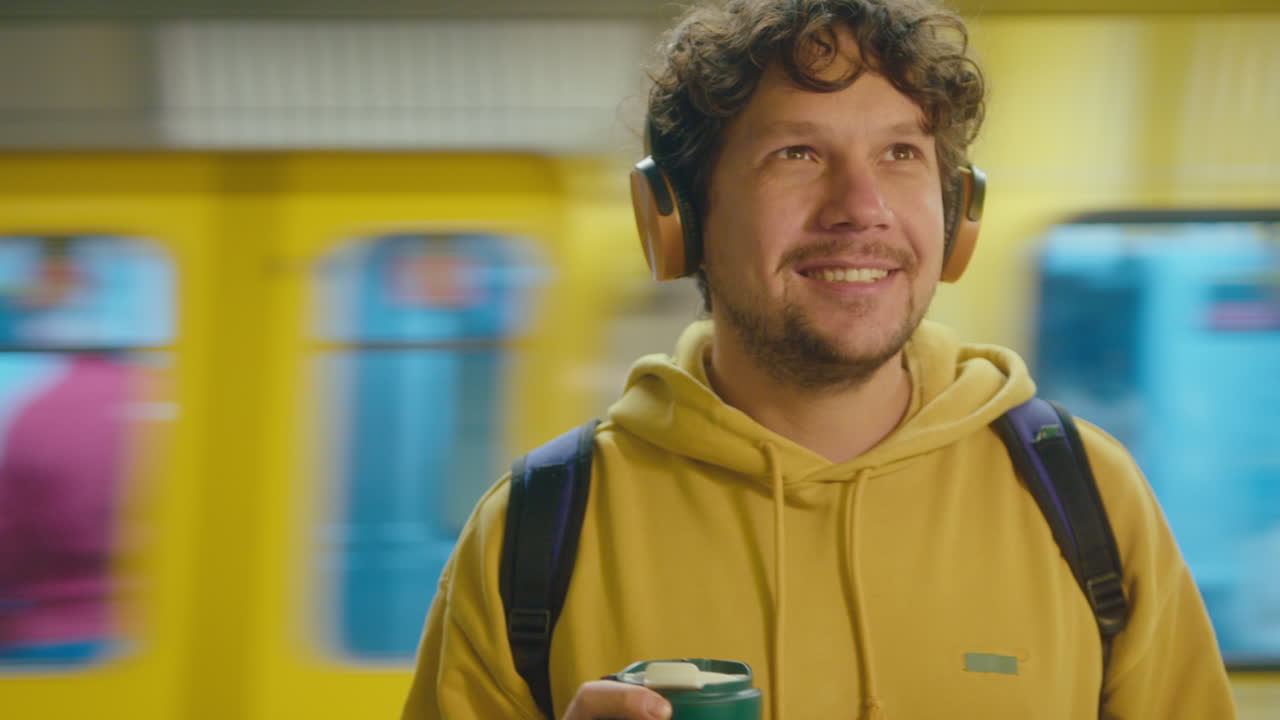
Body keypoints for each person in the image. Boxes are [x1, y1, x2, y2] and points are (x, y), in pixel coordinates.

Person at [402, 0, 1236, 717]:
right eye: (796, 154)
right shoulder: (537, 526)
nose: (861, 208)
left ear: (957, 216)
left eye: (901, 154)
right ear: (676, 219)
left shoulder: (1087, 493)